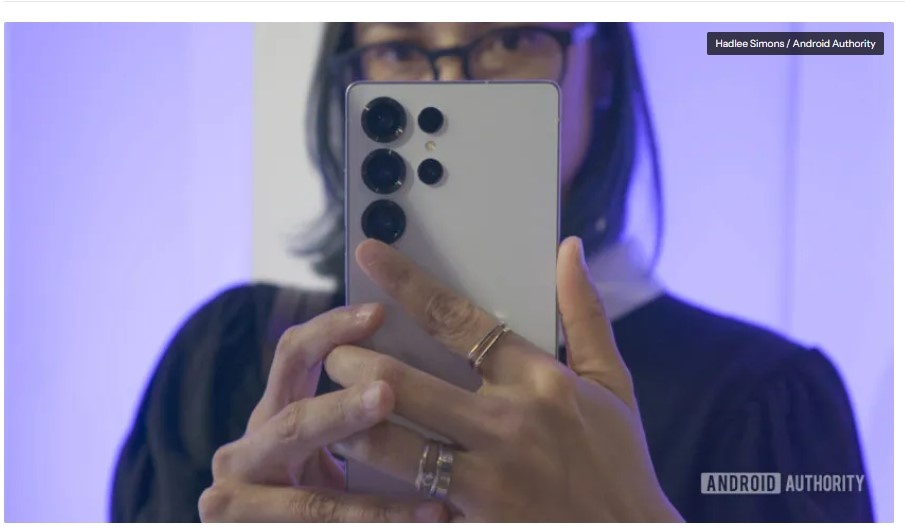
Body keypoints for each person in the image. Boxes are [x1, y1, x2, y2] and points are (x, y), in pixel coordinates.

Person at [111, 22, 874, 522]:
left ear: (601, 68)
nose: (453, 87)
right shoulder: (228, 357)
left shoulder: (763, 397)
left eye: (511, 38)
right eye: (399, 50)